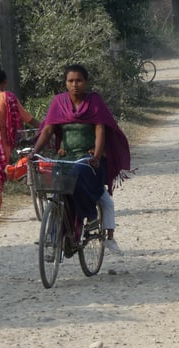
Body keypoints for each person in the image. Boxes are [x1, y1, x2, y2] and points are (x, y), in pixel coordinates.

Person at [31, 64, 129, 255]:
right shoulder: (58, 102)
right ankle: (53, 235)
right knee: (56, 185)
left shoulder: (94, 102)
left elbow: (101, 129)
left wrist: (97, 155)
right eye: (70, 81)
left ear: (86, 82)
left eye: (79, 80)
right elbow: (48, 130)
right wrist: (34, 152)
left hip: (89, 160)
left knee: (78, 174)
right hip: (67, 157)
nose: (75, 84)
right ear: (65, 83)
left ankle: (91, 216)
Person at [0, 69, 39, 221]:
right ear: (5, 81)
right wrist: (44, 126)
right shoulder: (9, 98)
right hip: (0, 138)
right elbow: (27, 117)